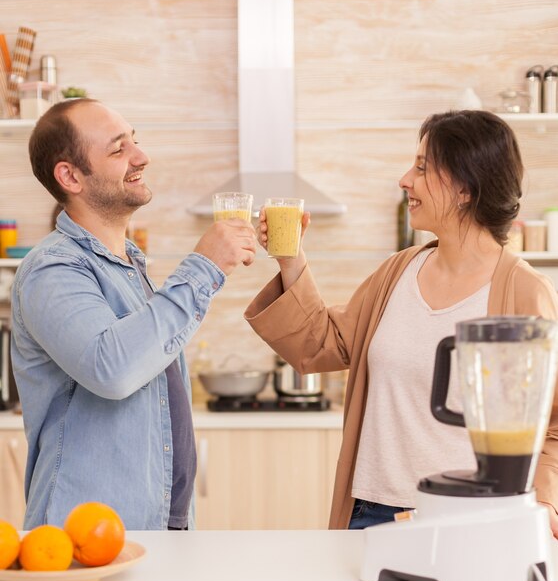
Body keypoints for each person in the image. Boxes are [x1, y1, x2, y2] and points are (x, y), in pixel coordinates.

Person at [244, 109, 558, 536]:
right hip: (372, 515)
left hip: (471, 522)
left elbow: (551, 423)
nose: (405, 179)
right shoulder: (398, 271)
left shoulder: (523, 292)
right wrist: (290, 257)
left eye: (423, 168)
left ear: (465, 187)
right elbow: (324, 343)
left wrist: (544, 503)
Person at [12, 98, 257, 530]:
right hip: (85, 538)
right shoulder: (51, 269)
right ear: (70, 176)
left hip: (159, 525)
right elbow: (112, 368)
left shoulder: (129, 265)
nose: (141, 157)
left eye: (135, 142)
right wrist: (203, 266)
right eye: (117, 149)